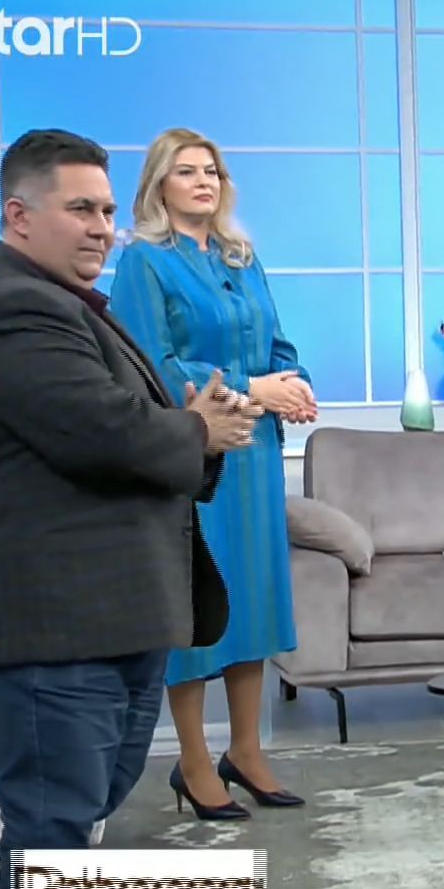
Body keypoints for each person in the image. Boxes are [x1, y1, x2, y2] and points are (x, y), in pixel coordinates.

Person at [0, 128, 258, 866]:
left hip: (105, 623)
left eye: (107, 211)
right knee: (54, 837)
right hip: (51, 632)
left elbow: (124, 425)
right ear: (18, 216)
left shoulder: (66, 304)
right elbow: (107, 433)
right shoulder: (13, 309)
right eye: (81, 210)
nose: (102, 229)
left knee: (81, 815)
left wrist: (190, 429)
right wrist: (197, 429)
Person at [112, 127, 318, 821]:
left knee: (252, 601)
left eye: (212, 171)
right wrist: (255, 388)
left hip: (255, 453)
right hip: (194, 454)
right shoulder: (144, 262)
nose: (204, 181)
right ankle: (194, 761)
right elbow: (154, 365)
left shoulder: (242, 257)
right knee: (200, 607)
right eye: (187, 171)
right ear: (159, 185)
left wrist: (294, 384)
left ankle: (248, 752)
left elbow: (278, 343)